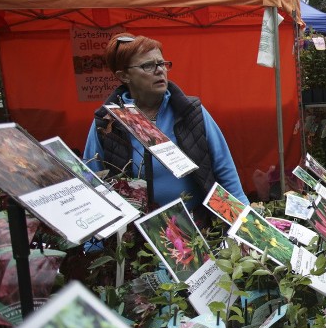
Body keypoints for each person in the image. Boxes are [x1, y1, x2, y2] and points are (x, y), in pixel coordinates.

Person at [84, 33, 249, 217]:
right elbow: (92, 182)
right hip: (138, 237)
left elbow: (224, 170)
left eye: (162, 64)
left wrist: (245, 225)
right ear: (124, 76)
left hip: (199, 229)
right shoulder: (107, 122)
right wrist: (95, 244)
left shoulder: (191, 112)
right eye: (148, 66)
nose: (159, 70)